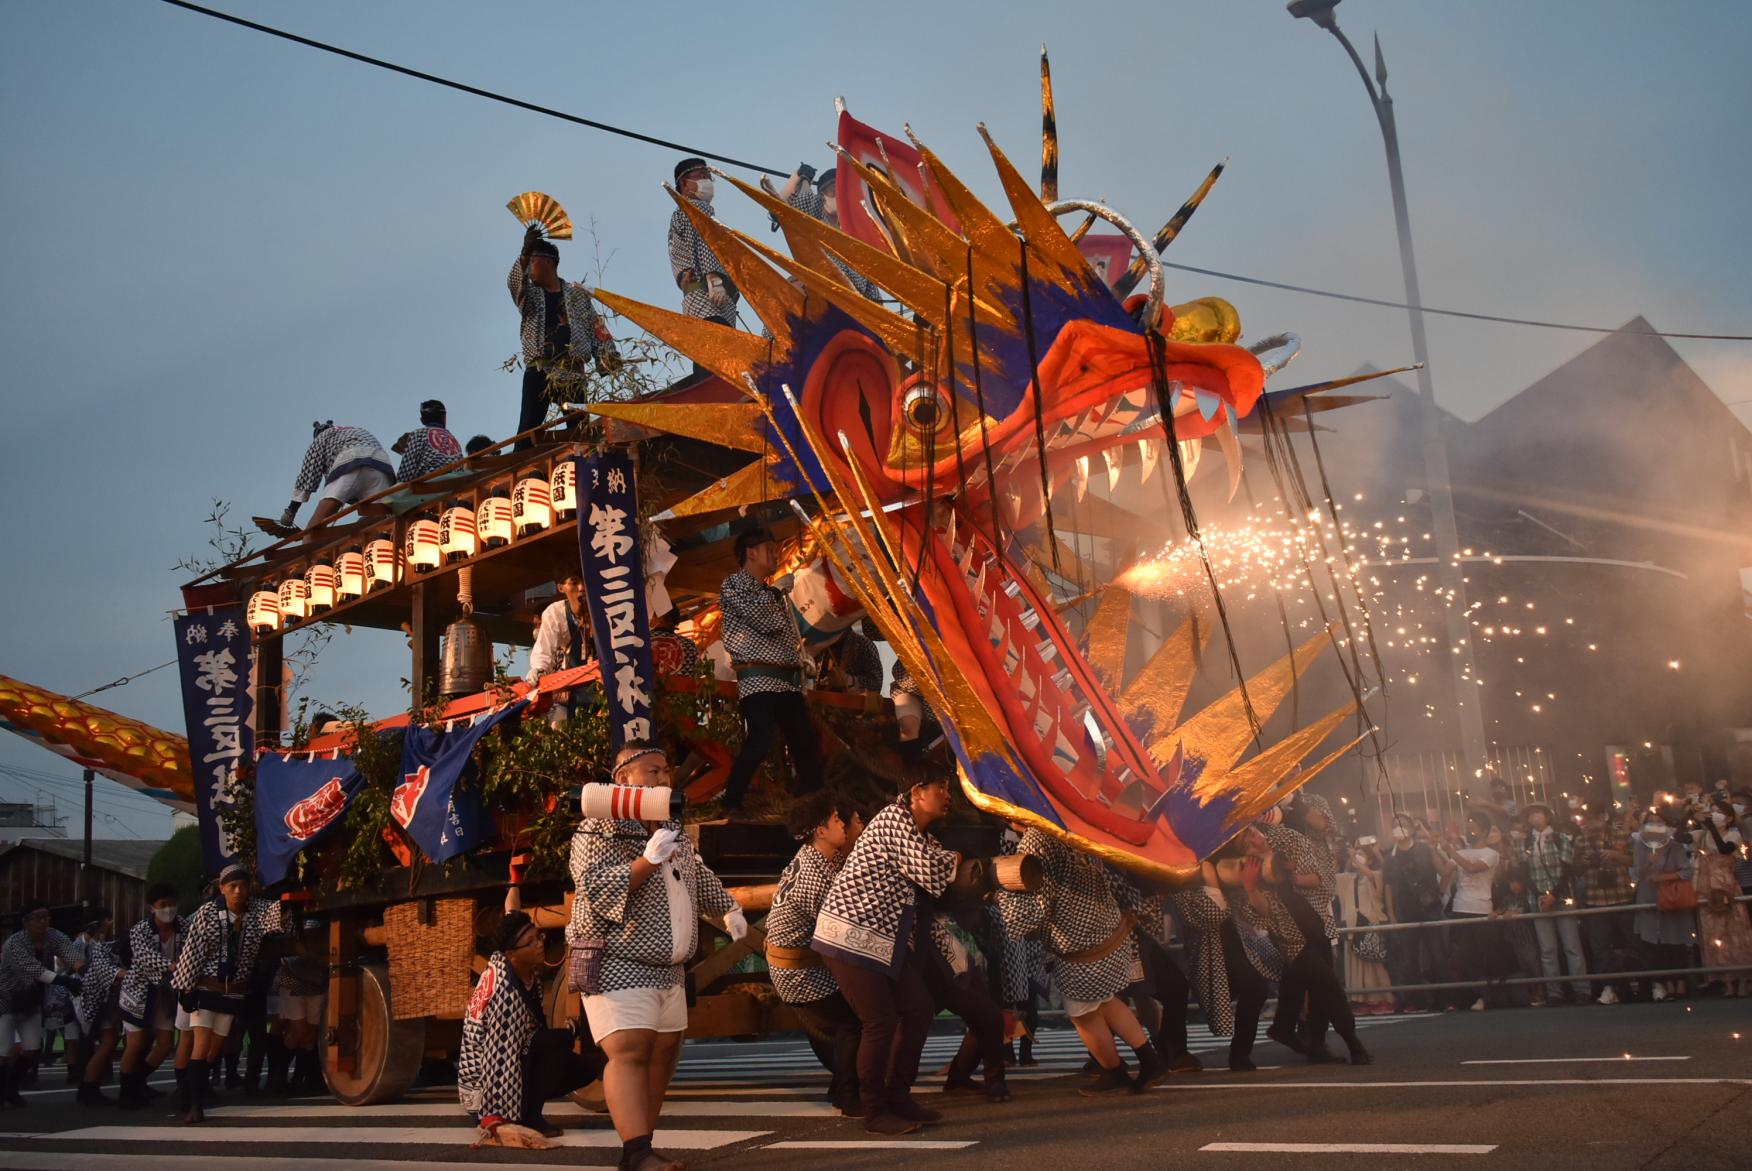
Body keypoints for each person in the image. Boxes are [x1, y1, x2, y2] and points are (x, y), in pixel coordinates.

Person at [567, 741, 745, 1171]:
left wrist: (728, 908)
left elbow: (695, 874)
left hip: (669, 967)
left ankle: (643, 1144)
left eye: (665, 771)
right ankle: (636, 1152)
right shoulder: (599, 827)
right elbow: (594, 886)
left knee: (664, 1051)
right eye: (651, 770)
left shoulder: (670, 825)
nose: (663, 778)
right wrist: (646, 861)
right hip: (618, 961)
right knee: (629, 1049)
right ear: (623, 778)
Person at [812, 767, 961, 1135]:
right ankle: (875, 1110)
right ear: (916, 792)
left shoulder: (915, 831)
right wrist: (956, 859)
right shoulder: (894, 819)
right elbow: (932, 871)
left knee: (918, 1008)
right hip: (849, 937)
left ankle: (897, 1096)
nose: (948, 795)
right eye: (940, 787)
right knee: (878, 1023)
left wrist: (948, 858)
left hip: (878, 941)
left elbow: (934, 861)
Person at [998, 825, 1170, 1095]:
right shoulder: (1070, 826)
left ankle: (1113, 1072)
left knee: (1082, 1013)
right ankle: (1151, 1061)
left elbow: (1036, 901)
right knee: (1106, 1000)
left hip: (1080, 941)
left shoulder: (1037, 838)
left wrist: (1003, 902)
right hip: (1109, 927)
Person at [1219, 832, 1372, 1066]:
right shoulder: (1243, 870)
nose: (1258, 838)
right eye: (1249, 838)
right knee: (1328, 983)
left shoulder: (1275, 858)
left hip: (1311, 931)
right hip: (1291, 942)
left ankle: (1300, 1036)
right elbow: (1262, 913)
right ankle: (1354, 1045)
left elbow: (1315, 879)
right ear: (1243, 848)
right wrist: (1250, 887)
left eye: (1256, 833)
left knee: (1321, 988)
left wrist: (1289, 873)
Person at [765, 790, 863, 1116]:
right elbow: (841, 929)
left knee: (851, 1019)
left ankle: (843, 1086)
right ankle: (848, 1095)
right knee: (854, 1021)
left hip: (803, 966)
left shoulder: (816, 859)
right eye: (838, 820)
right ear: (820, 830)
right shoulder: (812, 873)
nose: (844, 825)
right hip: (800, 973)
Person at [459, 910, 598, 1141]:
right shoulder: (504, 993)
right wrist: (495, 1117)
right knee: (557, 1042)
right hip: (485, 1088)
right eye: (530, 942)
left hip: (512, 1057)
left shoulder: (522, 970)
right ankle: (529, 1117)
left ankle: (525, 1107)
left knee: (582, 1068)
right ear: (511, 954)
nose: (539, 945)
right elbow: (498, 1060)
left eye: (538, 937)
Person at [169, 864, 287, 1124]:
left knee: (215, 1048)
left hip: (233, 992)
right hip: (206, 987)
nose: (237, 891)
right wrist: (186, 988)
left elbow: (278, 922)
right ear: (221, 888)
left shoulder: (257, 912)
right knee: (201, 1043)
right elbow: (193, 951)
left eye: (243, 886)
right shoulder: (207, 913)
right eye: (232, 886)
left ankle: (188, 1093)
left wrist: (282, 886)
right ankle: (195, 1106)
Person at [719, 529, 823, 816]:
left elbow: (789, 633)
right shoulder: (734, 584)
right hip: (759, 678)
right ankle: (731, 801)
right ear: (750, 551)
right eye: (769, 548)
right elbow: (763, 621)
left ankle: (816, 804)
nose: (776, 554)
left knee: (805, 740)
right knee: (761, 738)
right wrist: (776, 591)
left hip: (787, 679)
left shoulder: (772, 591)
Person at [509, 224, 621, 445]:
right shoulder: (530, 295)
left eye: (533, 260)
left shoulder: (577, 295)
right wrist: (524, 252)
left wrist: (608, 361)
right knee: (528, 432)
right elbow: (515, 284)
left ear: (549, 262)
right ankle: (522, 469)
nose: (529, 268)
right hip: (540, 369)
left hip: (572, 372)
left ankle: (586, 467)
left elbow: (596, 327)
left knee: (580, 432)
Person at [1174, 858, 1274, 1072]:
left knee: (1258, 988)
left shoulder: (1232, 886)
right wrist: (1211, 879)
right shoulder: (1185, 887)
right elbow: (1212, 916)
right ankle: (1173, 1051)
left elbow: (1262, 914)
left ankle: (1241, 1052)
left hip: (1241, 951)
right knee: (1172, 994)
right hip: (1212, 959)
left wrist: (1249, 885)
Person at [0, 899, 82, 1108]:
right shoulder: (14, 944)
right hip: (6, 1000)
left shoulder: (52, 936)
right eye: (37, 918)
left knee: (32, 1048)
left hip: (32, 1001)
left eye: (46, 917)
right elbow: (34, 970)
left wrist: (80, 968)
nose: (43, 922)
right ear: (25, 922)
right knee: (4, 1050)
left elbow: (70, 951)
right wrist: (64, 980)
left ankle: (11, 1088)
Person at [116, 884, 183, 1109]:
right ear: (152, 908)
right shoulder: (140, 930)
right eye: (163, 905)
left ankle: (136, 1081)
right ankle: (126, 1092)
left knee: (165, 1043)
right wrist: (173, 966)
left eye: (172, 904)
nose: (169, 909)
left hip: (166, 993)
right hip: (139, 991)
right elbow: (145, 957)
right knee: (135, 1043)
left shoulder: (185, 926)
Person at [777, 166, 882, 301]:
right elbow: (799, 205)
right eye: (832, 190)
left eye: (841, 192)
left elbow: (872, 290)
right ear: (821, 196)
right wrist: (804, 179)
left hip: (855, 306)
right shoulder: (815, 220)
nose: (837, 195)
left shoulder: (855, 240)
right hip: (822, 294)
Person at [271, 421, 394, 534]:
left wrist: (291, 511)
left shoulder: (321, 439)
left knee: (313, 530)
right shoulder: (357, 430)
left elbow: (308, 477)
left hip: (349, 461)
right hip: (381, 465)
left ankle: (310, 547)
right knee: (378, 521)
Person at [1520, 802, 1588, 1005]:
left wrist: (1552, 895)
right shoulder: (1525, 842)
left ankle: (1581, 989)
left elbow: (1566, 870)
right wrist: (1540, 895)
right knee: (1547, 949)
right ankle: (1554, 991)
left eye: (1538, 813)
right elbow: (1524, 872)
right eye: (1531, 814)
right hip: (1538, 899)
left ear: (1547, 816)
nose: (1535, 817)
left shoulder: (1560, 838)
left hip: (1561, 897)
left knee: (1572, 946)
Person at [1437, 812, 1501, 1012]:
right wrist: (1434, 849)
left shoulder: (1491, 854)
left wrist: (1451, 851)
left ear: (1483, 829)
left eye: (1472, 825)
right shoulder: (1461, 853)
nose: (1469, 829)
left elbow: (1472, 868)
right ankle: (1467, 996)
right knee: (1461, 956)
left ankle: (1486, 997)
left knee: (1483, 956)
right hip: (1460, 907)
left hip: (1480, 909)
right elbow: (1444, 872)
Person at [1382, 814, 1444, 1012]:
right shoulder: (1390, 858)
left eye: (1403, 824)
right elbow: (1388, 887)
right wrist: (1391, 915)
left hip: (1430, 910)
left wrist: (1439, 892)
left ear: (1411, 828)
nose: (1399, 828)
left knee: (1438, 955)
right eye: (1395, 825)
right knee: (1410, 959)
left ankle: (1444, 998)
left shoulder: (1424, 849)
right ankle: (1417, 1001)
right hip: (1405, 912)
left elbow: (1445, 870)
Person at [1632, 809, 1696, 1002]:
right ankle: (1666, 983)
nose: (1654, 825)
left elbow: (1686, 871)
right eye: (1650, 822)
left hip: (1671, 897)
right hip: (1649, 897)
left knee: (1676, 942)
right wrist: (1648, 863)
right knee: (1656, 945)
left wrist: (1664, 877)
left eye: (1658, 821)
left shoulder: (1675, 846)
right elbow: (1637, 873)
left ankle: (1681, 983)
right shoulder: (1640, 846)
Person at [668, 159, 739, 326]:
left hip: (697, 300)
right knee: (722, 344)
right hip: (708, 297)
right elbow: (703, 240)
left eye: (708, 177)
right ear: (685, 184)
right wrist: (713, 278)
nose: (707, 181)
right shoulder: (695, 208)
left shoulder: (680, 214)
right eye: (701, 176)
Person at [1575, 808, 1634, 1005]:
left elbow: (1633, 860)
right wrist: (1585, 863)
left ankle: (1646, 983)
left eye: (1595, 817)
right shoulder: (1581, 840)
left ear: (1604, 816)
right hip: (1595, 897)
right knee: (1600, 948)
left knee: (1633, 942)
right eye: (1588, 818)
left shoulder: (1620, 835)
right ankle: (1608, 988)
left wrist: (1614, 855)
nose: (1591, 821)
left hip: (1622, 894)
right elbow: (1575, 868)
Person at [526, 568, 594, 723]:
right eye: (574, 582)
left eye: (586, 581)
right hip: (575, 695)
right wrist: (537, 674)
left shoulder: (605, 609)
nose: (582, 588)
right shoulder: (556, 613)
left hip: (606, 693)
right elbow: (543, 653)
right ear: (561, 588)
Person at [269, 920, 327, 1094]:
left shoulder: (324, 929)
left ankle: (301, 1079)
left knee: (310, 1035)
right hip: (292, 980)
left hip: (317, 983)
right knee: (299, 1032)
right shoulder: (295, 924)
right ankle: (278, 1076)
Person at [72, 908, 123, 1105]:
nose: (109, 924)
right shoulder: (88, 945)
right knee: (105, 1041)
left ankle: (90, 1084)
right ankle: (88, 1086)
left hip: (101, 999)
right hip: (90, 998)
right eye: (106, 921)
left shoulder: (100, 945)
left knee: (107, 1041)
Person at [1339, 840, 1395, 1015]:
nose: (1357, 857)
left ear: (1369, 860)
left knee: (1373, 965)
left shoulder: (1376, 874)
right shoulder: (1349, 878)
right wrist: (1350, 858)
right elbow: (1343, 873)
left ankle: (1383, 999)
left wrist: (1358, 858)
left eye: (1362, 854)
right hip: (1353, 925)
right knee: (1355, 965)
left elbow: (1372, 876)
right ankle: (1360, 1000)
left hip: (1370, 923)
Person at [392, 399, 464, 483]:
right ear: (444, 417)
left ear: (422, 420)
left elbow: (405, 473)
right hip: (453, 488)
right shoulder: (454, 440)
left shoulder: (418, 434)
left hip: (428, 488)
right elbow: (461, 470)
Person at [812, 626, 883, 695]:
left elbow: (876, 683)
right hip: (817, 702)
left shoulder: (862, 643)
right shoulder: (819, 644)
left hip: (849, 704)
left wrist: (848, 680)